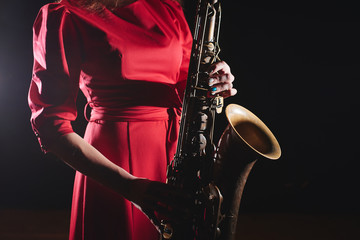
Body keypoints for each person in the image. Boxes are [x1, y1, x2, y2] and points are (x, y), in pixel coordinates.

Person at [28, 0, 237, 239]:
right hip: (112, 166)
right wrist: (130, 186)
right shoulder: (64, 14)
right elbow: (51, 127)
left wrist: (215, 83)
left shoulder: (167, 7)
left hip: (176, 153)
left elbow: (186, 87)